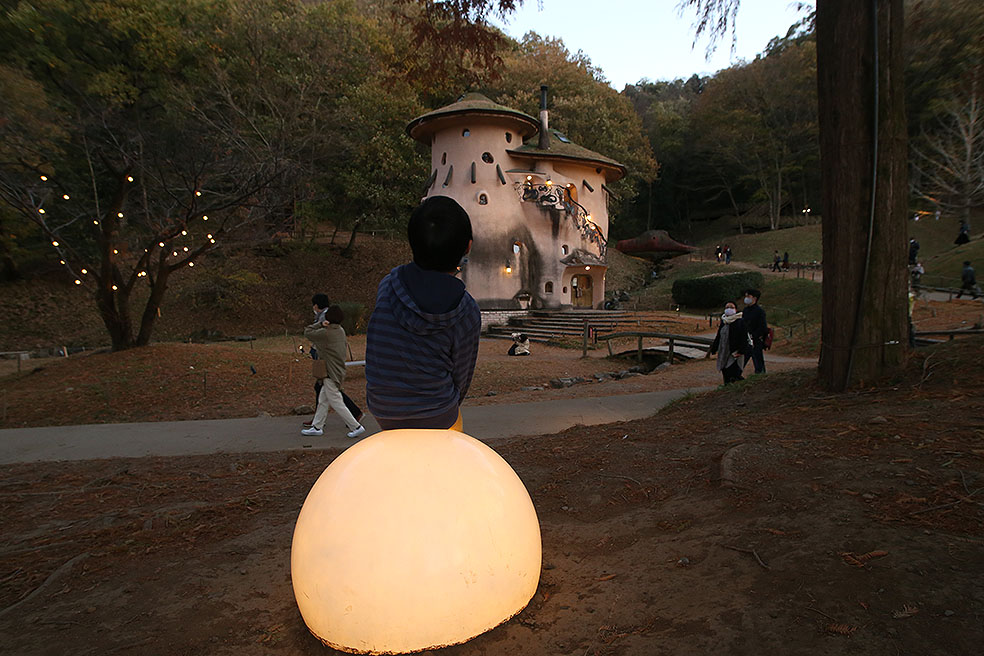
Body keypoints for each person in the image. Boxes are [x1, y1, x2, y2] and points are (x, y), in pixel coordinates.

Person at [365, 196, 481, 431]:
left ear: (412, 242)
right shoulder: (466, 310)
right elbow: (462, 377)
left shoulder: (388, 286)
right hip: (438, 413)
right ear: (467, 246)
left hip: (382, 409)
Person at [302, 304, 366, 438]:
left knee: (336, 400)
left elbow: (307, 332)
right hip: (338, 369)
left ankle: (356, 426)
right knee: (323, 400)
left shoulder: (326, 332)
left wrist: (320, 324)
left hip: (330, 371)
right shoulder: (340, 331)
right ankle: (317, 426)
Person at [709, 301, 749, 384]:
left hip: (734, 353)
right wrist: (714, 348)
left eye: (731, 307)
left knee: (734, 373)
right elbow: (719, 336)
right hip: (723, 352)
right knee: (725, 371)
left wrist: (741, 351)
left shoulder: (740, 322)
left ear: (736, 309)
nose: (729, 309)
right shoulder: (724, 322)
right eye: (727, 307)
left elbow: (743, 337)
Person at [741, 288, 768, 374]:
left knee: (758, 361)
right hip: (745, 340)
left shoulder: (760, 311)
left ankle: (760, 376)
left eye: (748, 296)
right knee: (742, 360)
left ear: (754, 298)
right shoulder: (745, 310)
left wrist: (754, 335)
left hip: (756, 340)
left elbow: (763, 327)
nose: (746, 298)